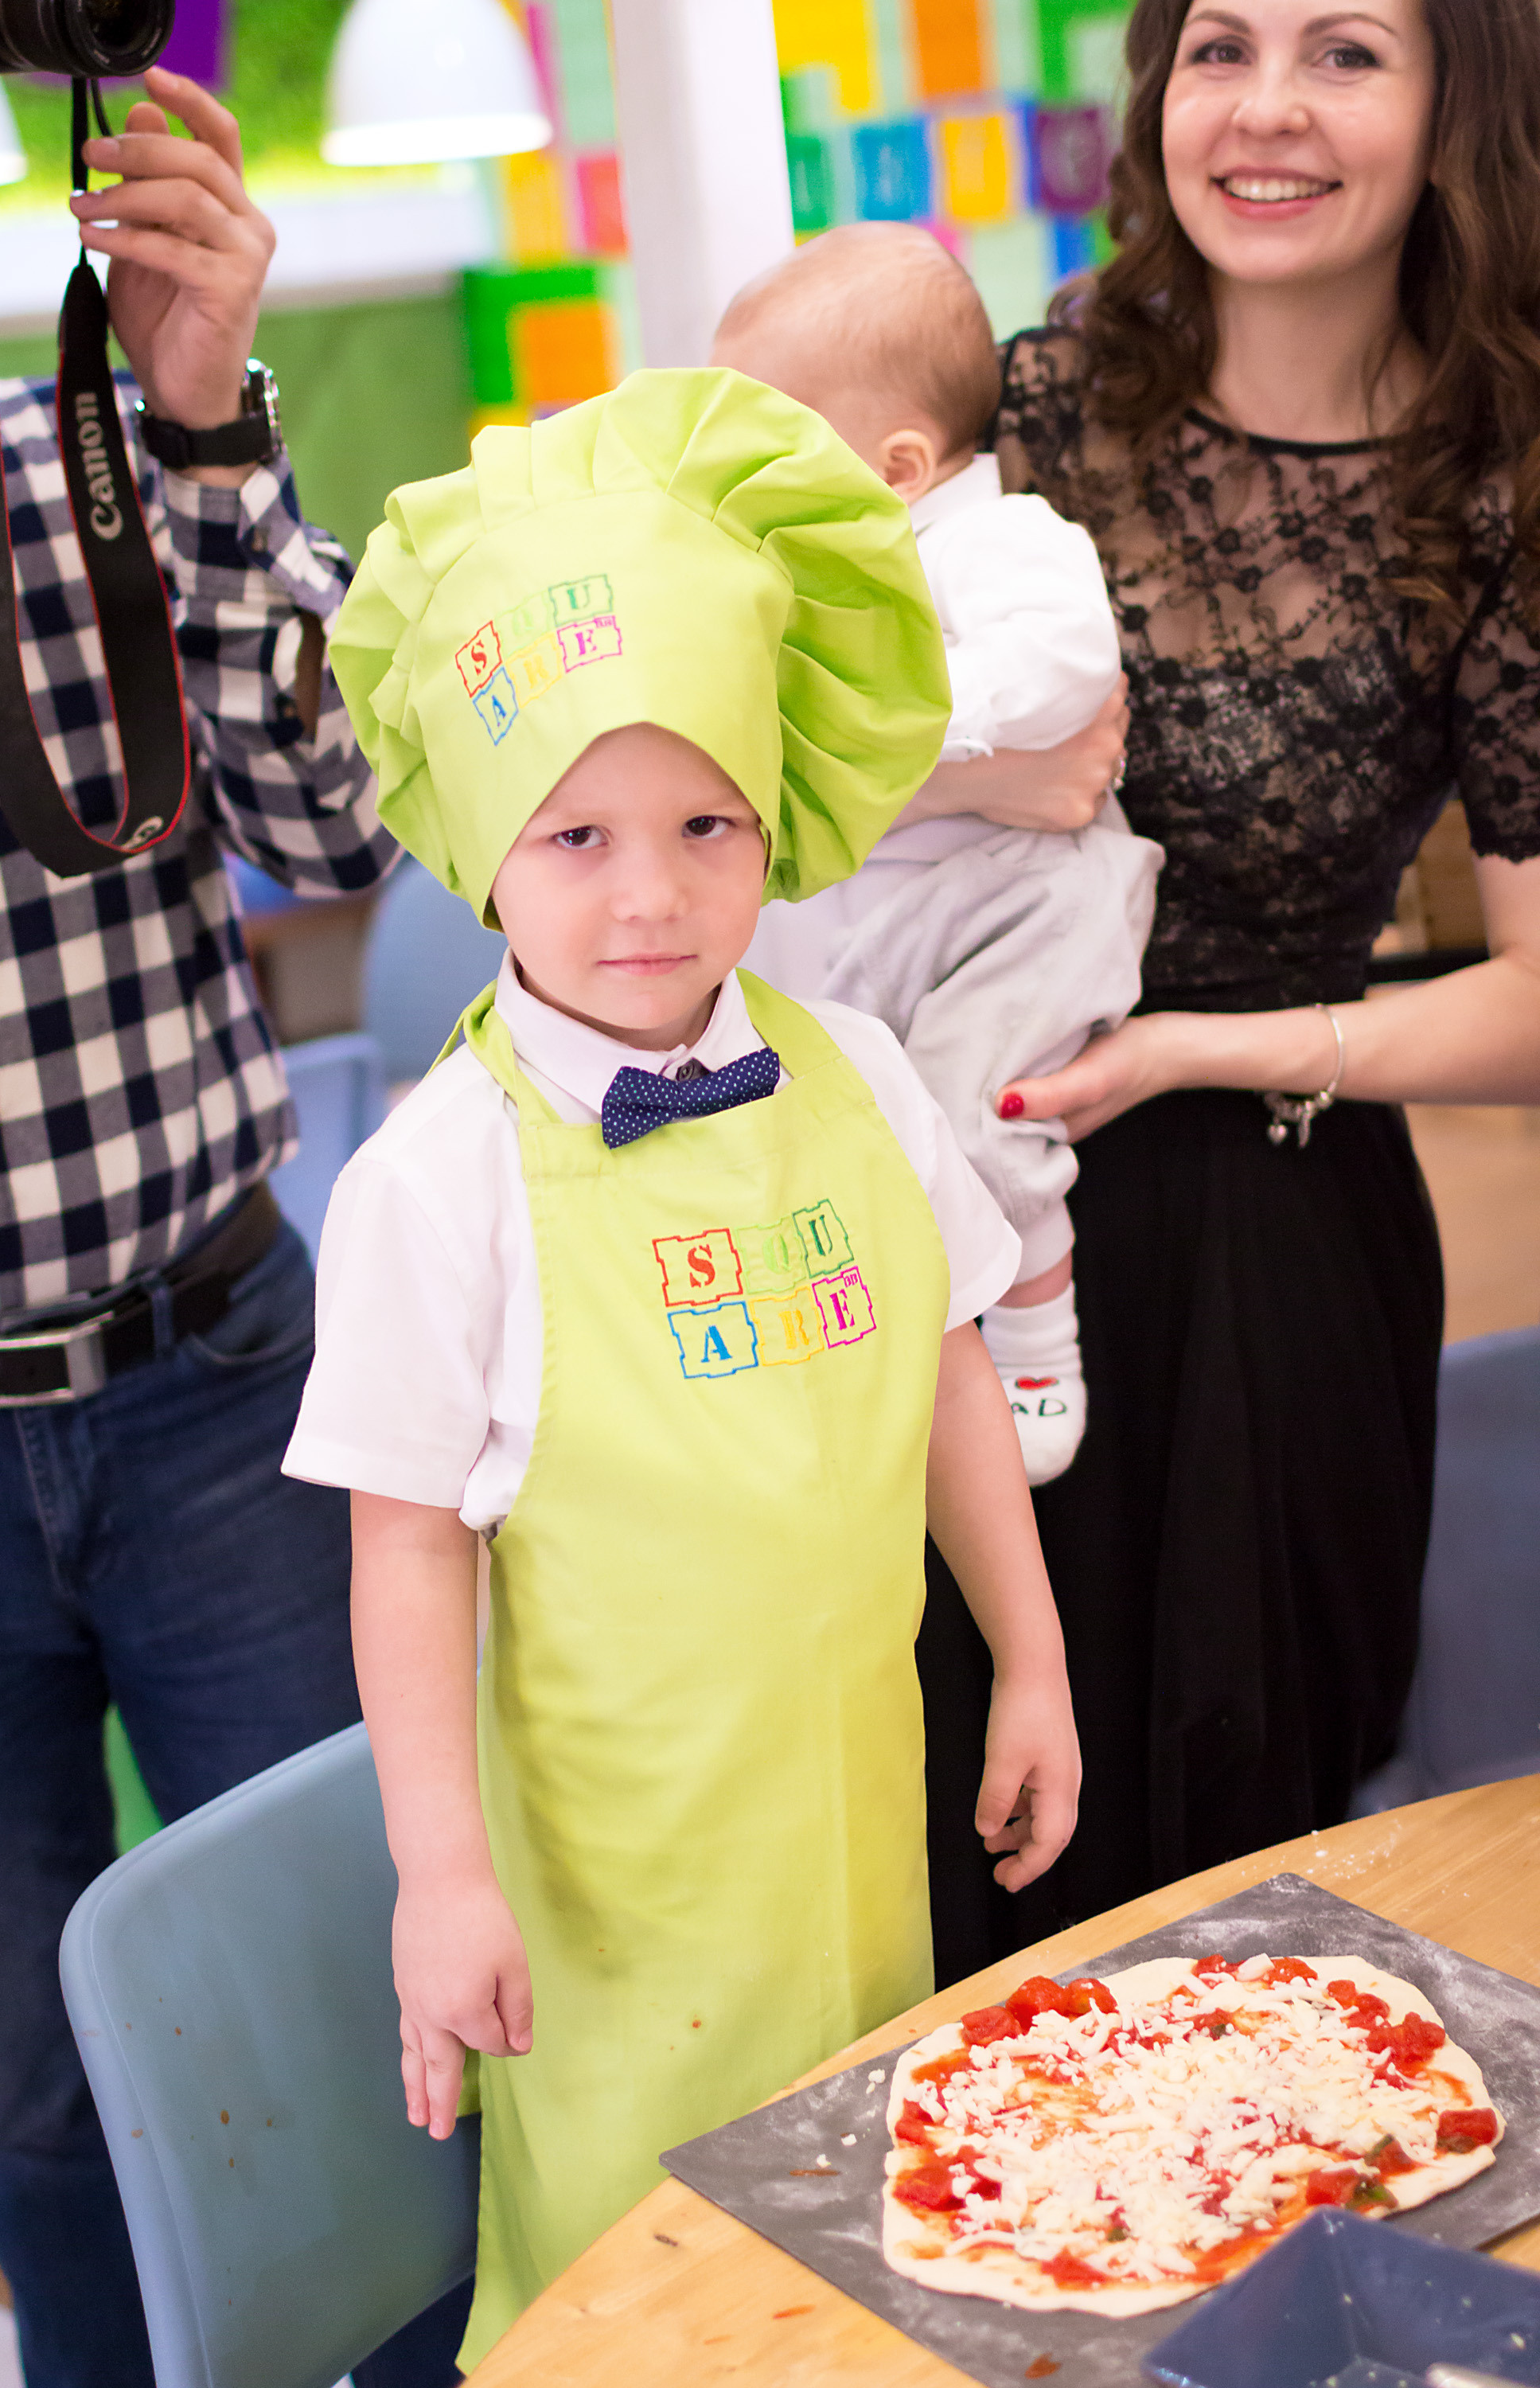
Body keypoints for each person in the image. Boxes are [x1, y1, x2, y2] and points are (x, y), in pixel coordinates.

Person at [281, 365, 1082, 2367]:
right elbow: (405, 1551)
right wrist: (438, 1878)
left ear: (774, 818)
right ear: (483, 853)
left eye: (705, 819)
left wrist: (1034, 1654)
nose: (650, 891)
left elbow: (946, 1371)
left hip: (849, 1842)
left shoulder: (859, 1074)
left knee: (867, 2276)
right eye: (577, 835)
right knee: (648, 2314)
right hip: (610, 1914)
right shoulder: (437, 1179)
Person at [917, 0, 1540, 1980]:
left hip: (1271, 1243)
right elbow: (778, 780)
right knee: (956, 1858)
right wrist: (971, 768)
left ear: (1456, 101)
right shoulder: (1028, 402)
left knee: (1240, 1905)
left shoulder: (1503, 475)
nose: (1266, 108)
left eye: (1346, 52)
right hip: (949, 1229)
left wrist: (1199, 1048)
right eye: (1220, 47)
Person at [0, 38, 459, 2388]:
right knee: (25, 2094)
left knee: (371, 2022)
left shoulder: (69, 435)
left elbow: (353, 837)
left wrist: (209, 428)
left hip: (214, 1366)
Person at [713, 221, 1163, 1490]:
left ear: (899, 465)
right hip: (921, 916)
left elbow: (1066, 662)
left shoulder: (1000, 543)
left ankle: (1037, 1348)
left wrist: (911, 733)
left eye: (769, 456)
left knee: (977, 1109)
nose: (742, 491)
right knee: (864, 1117)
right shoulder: (822, 574)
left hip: (1035, 904)